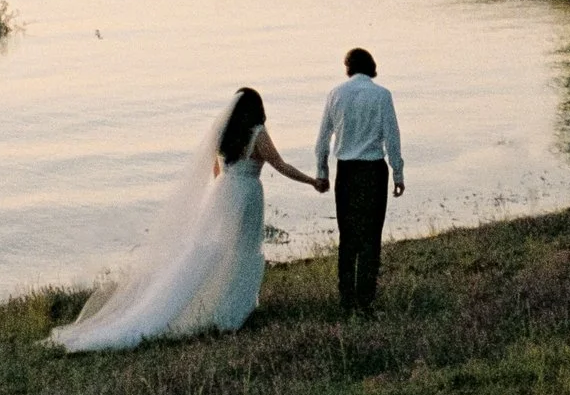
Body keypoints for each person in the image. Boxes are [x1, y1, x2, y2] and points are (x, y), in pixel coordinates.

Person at [48, 86, 324, 352]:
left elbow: (218, 170)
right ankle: (232, 313)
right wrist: (311, 181)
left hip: (222, 193)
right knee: (241, 251)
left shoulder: (225, 135)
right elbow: (280, 164)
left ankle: (209, 304)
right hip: (246, 194)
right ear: (258, 109)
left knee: (213, 251)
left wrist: (223, 198)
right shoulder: (257, 133)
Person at [314, 47, 402, 313]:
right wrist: (398, 172)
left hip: (347, 171)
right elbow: (392, 138)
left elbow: (322, 140)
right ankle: (366, 300)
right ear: (372, 67)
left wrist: (322, 172)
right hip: (373, 171)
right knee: (371, 237)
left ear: (348, 68)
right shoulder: (382, 95)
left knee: (348, 236)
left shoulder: (335, 94)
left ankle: (346, 299)